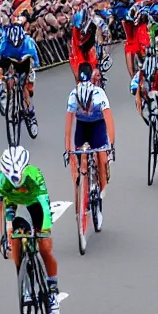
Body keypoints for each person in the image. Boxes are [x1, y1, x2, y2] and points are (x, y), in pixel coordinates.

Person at [0, 146, 60, 314]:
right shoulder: (1, 181)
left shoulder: (35, 175)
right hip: (14, 206)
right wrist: (4, 235)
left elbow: (44, 204)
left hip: (34, 204)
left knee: (45, 248)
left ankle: (52, 288)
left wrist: (44, 231)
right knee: (14, 239)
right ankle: (24, 280)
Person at [65, 63, 115, 226]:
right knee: (80, 164)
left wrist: (111, 145)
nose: (85, 108)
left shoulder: (99, 94)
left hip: (98, 125)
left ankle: (100, 193)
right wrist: (68, 150)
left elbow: (109, 120)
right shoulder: (73, 95)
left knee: (101, 156)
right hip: (82, 127)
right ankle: (80, 208)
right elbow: (68, 126)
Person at [0, 15, 39, 137]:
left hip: (24, 60)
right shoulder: (5, 40)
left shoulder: (28, 42)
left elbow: (35, 60)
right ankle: (3, 92)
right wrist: (0, 77)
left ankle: (30, 113)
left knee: (25, 87)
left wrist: (30, 76)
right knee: (2, 71)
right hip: (10, 59)